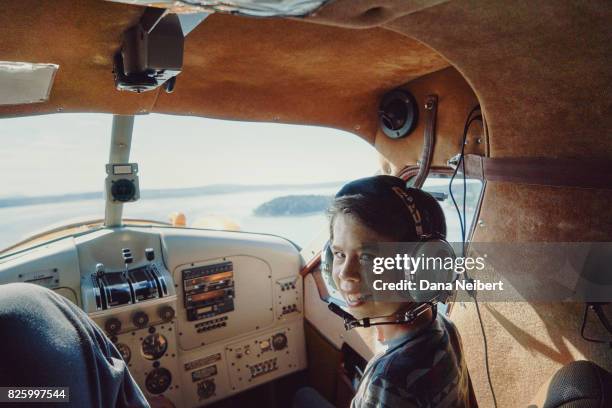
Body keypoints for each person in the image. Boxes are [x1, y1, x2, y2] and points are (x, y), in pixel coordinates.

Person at [296, 175, 475, 408]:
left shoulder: (389, 380)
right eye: (339, 254)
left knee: (301, 396)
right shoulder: (444, 326)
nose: (344, 273)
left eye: (368, 257)